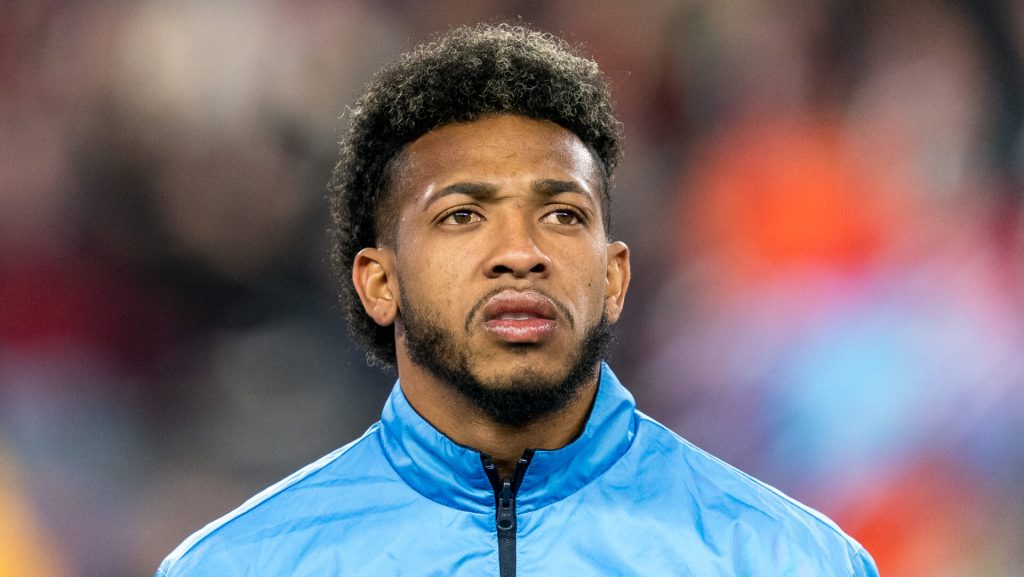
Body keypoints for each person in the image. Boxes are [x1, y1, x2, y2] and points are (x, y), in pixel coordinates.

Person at [156, 23, 878, 576]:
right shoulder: (243, 564)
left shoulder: (784, 558)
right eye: (462, 215)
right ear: (380, 281)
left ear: (615, 278)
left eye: (563, 214)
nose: (522, 252)